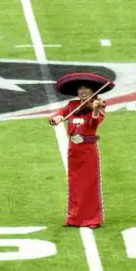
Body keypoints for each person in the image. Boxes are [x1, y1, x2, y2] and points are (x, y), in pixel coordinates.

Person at [49, 73, 112, 228]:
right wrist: (56, 118)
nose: (83, 92)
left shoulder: (97, 105)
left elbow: (93, 123)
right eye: (80, 89)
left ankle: (93, 219)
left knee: (90, 185)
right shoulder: (72, 105)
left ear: (94, 92)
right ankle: (73, 218)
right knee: (74, 184)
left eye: (86, 89)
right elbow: (59, 114)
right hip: (73, 150)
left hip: (88, 150)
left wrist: (96, 110)